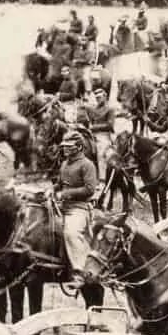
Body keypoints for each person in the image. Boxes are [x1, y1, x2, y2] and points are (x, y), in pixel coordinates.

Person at [54, 131, 98, 280]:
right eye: (64, 146)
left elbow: (90, 189)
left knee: (71, 233)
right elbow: (59, 184)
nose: (65, 149)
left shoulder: (87, 165)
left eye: (69, 146)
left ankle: (81, 270)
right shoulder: (64, 163)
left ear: (79, 147)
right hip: (62, 206)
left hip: (79, 208)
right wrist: (51, 190)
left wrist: (65, 194)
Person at [86, 88, 116, 175]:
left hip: (104, 135)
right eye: (96, 98)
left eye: (99, 97)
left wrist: (94, 127)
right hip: (92, 134)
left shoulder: (110, 109)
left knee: (101, 153)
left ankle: (102, 179)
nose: (97, 99)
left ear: (105, 97)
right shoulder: (94, 108)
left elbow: (110, 125)